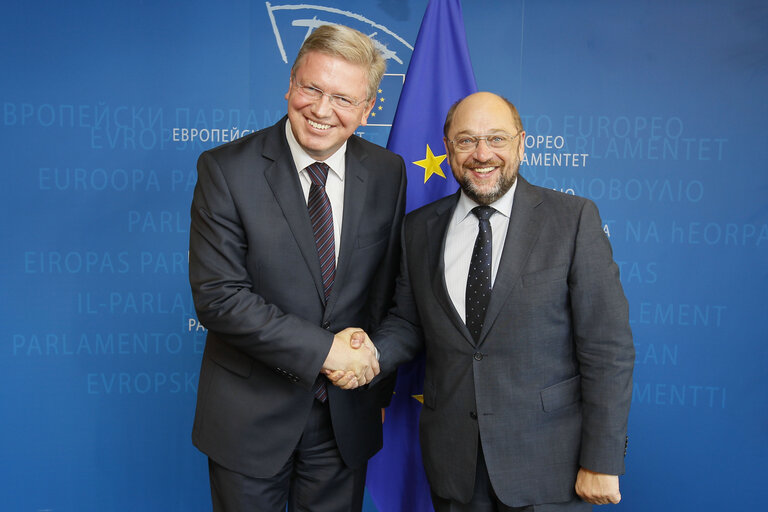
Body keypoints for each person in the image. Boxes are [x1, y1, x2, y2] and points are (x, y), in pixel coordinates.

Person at [330, 92, 635, 511]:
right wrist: (370, 353)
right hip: (455, 468)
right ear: (448, 148)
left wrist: (602, 459)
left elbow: (608, 349)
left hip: (550, 469)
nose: (482, 154)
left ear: (521, 143)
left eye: (496, 139)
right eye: (466, 140)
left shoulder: (572, 219)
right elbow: (409, 322)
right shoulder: (419, 229)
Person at [188, 24, 405, 512]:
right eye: (312, 88)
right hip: (249, 421)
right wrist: (328, 351)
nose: (323, 110)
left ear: (369, 108)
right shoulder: (225, 169)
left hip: (346, 418)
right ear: (291, 82)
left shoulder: (389, 172)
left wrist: (374, 379)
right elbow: (220, 298)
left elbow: (388, 288)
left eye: (344, 99)